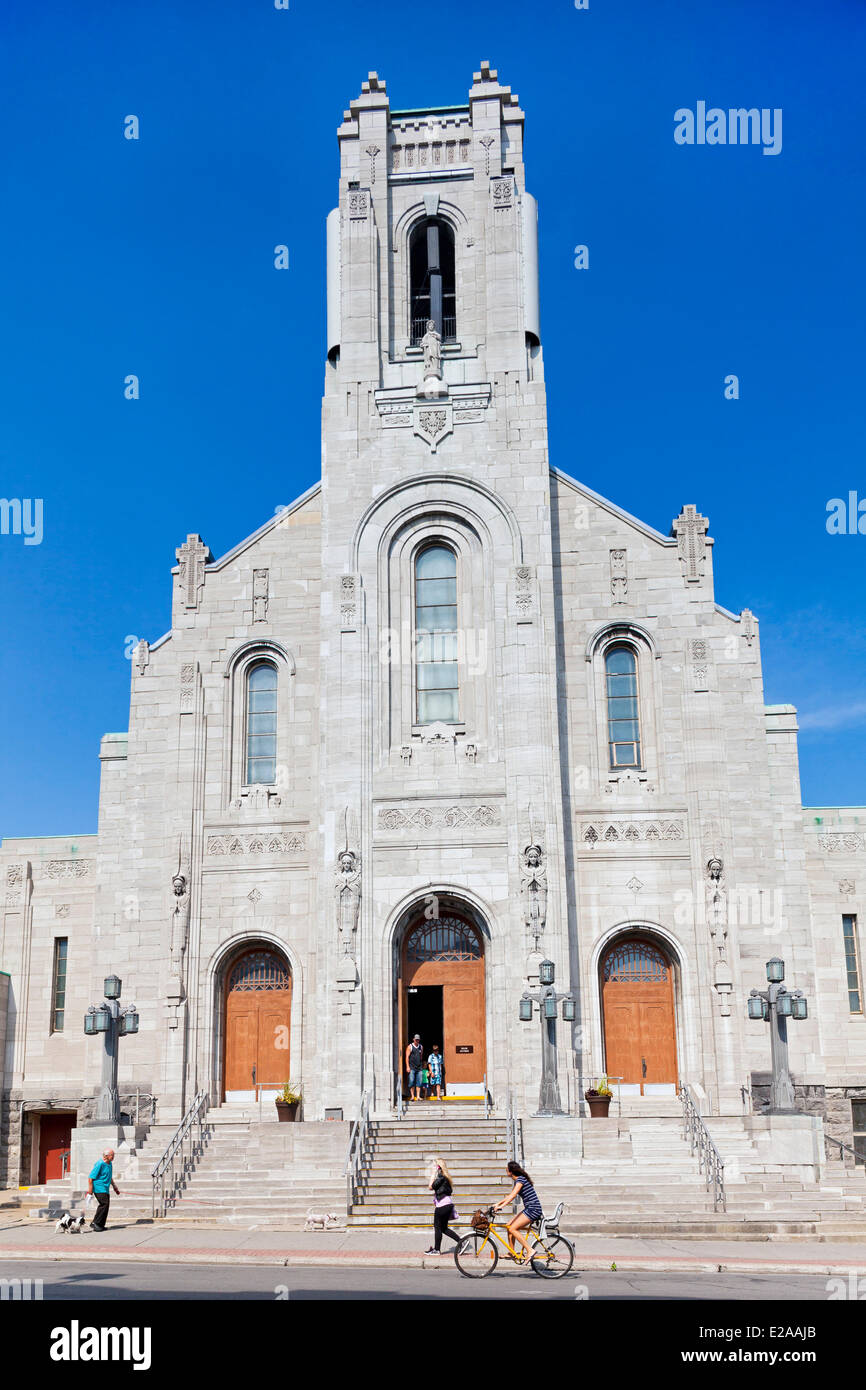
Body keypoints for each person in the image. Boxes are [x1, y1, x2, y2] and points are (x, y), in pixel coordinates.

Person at [492, 1160, 543, 1262]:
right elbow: (510, 1195)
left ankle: (530, 1250)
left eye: (507, 1168)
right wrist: (498, 1204)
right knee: (509, 1225)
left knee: (513, 1229)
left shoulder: (521, 1180)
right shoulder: (519, 1180)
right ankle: (512, 1252)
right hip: (529, 1208)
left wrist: (501, 1206)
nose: (506, 1169)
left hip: (533, 1209)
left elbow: (513, 1195)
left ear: (511, 1171)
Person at [424, 1156, 461, 1255]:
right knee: (444, 1228)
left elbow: (430, 1187)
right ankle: (462, 1242)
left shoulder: (441, 1177)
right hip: (447, 1204)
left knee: (437, 1227)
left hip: (442, 1205)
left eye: (434, 1166)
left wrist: (432, 1174)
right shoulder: (446, 1177)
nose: (433, 1167)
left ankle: (437, 1249)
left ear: (438, 1167)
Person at [87, 1148, 120, 1232]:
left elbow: (109, 1177)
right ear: (106, 1156)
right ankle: (95, 1223)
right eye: (112, 1155)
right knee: (104, 1204)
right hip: (99, 1187)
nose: (113, 1157)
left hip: (105, 1188)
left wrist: (114, 1187)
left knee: (106, 1205)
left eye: (113, 1155)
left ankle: (100, 1224)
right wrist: (90, 1191)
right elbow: (91, 1178)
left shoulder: (109, 1164)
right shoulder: (100, 1164)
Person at [405, 1033, 424, 1101]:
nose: (417, 1041)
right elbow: (407, 1057)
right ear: (413, 1039)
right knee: (411, 1081)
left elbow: (421, 1056)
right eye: (416, 1040)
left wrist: (421, 1065)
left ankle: (418, 1096)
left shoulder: (421, 1047)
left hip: (419, 1068)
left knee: (419, 1082)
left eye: (418, 1040)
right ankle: (412, 1096)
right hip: (412, 1067)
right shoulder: (410, 1047)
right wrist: (407, 1067)